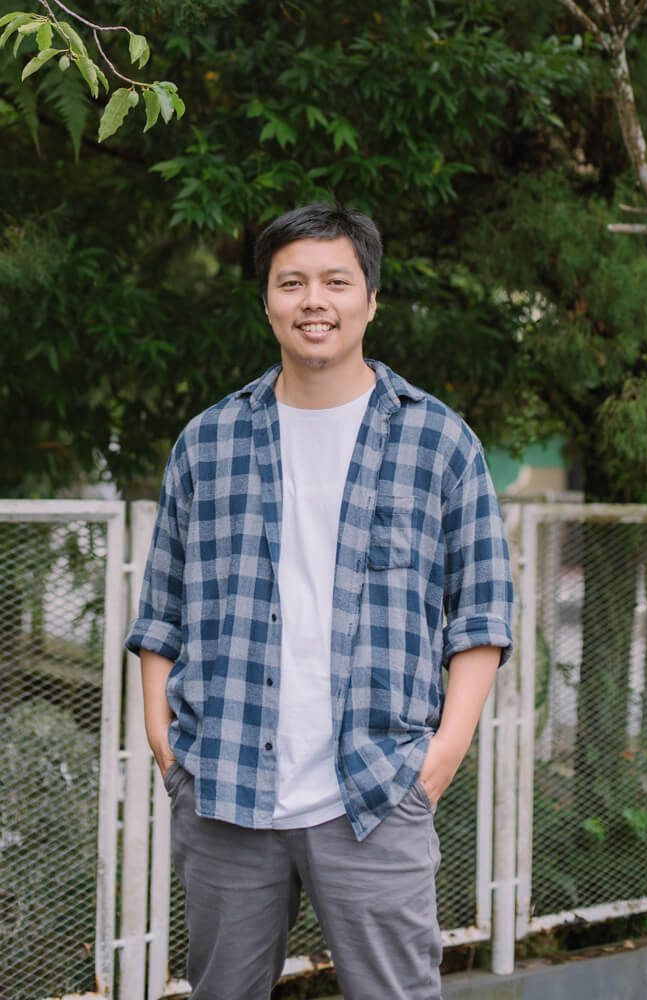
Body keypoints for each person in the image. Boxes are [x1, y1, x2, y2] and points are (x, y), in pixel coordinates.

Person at [125, 202, 513, 1000]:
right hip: (225, 788)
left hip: (377, 789)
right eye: (291, 282)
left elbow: (479, 612)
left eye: (336, 281)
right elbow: (162, 610)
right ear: (266, 299)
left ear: (370, 298)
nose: (314, 301)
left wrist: (438, 760)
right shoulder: (208, 442)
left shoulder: (438, 441)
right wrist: (168, 751)